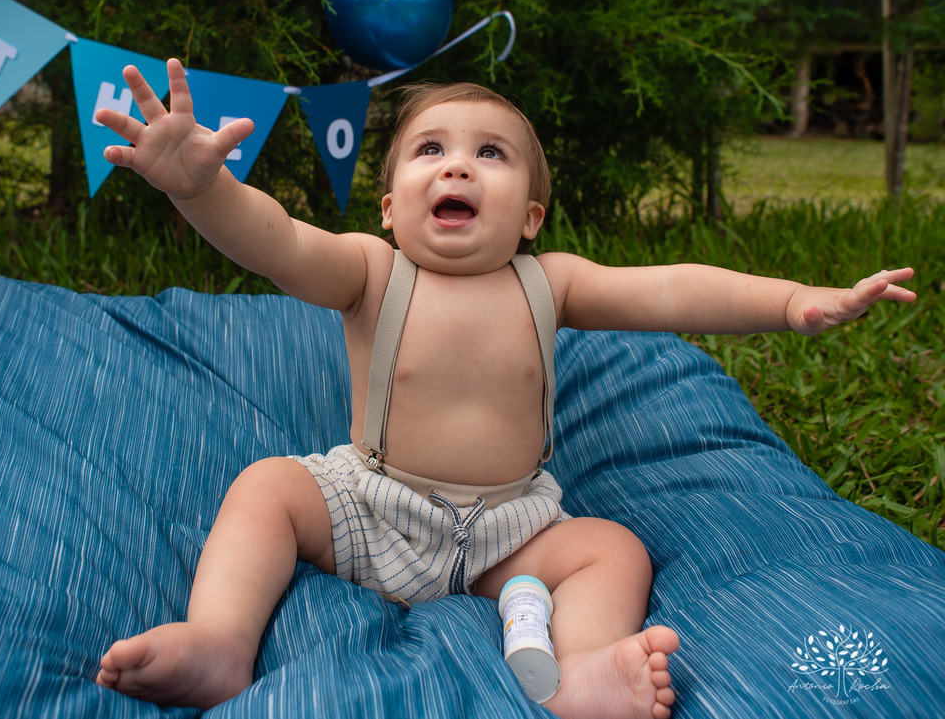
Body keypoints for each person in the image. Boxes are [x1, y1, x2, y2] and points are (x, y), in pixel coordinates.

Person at [92, 58, 916, 719]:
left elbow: (670, 288)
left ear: (530, 214)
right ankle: (219, 640)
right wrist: (202, 188)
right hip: (375, 504)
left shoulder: (551, 283)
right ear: (388, 207)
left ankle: (582, 672)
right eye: (430, 149)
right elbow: (275, 241)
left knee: (612, 549)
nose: (458, 163)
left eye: (491, 153)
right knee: (268, 486)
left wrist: (790, 303)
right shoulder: (370, 271)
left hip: (509, 526)